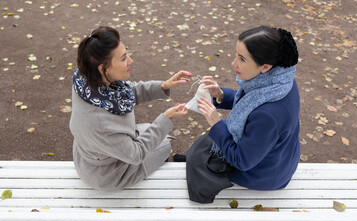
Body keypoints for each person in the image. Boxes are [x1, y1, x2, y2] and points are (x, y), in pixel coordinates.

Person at [183, 25, 300, 202]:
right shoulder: (280, 81)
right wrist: (221, 95)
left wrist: (216, 123)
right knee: (204, 146)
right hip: (280, 158)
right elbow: (250, 102)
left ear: (265, 66)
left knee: (199, 153)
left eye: (242, 59)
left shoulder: (268, 115)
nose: (234, 63)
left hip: (263, 175)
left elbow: (242, 160)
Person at [69, 26, 191, 190]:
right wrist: (166, 119)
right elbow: (136, 154)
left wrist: (163, 86)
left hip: (91, 156)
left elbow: (127, 93)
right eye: (123, 58)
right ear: (103, 68)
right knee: (164, 144)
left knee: (151, 131)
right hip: (107, 175)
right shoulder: (99, 123)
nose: (131, 61)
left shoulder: (86, 81)